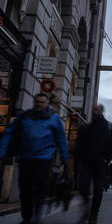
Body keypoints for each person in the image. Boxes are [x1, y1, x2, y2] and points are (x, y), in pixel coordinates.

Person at [0, 93, 69, 224]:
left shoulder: (54, 119)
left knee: (39, 189)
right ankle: (27, 218)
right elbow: (9, 132)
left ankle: (36, 216)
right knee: (24, 190)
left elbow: (61, 139)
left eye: (42, 102)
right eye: (37, 102)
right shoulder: (24, 116)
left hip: (44, 159)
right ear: (34, 102)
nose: (39, 104)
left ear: (47, 103)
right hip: (26, 158)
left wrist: (65, 158)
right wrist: (2, 151)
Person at [76, 104, 112, 224]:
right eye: (93, 109)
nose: (94, 111)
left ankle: (93, 214)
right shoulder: (86, 127)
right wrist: (79, 159)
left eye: (97, 109)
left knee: (98, 189)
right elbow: (79, 145)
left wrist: (107, 158)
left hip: (101, 164)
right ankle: (86, 206)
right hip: (87, 163)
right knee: (82, 185)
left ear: (101, 111)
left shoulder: (110, 127)